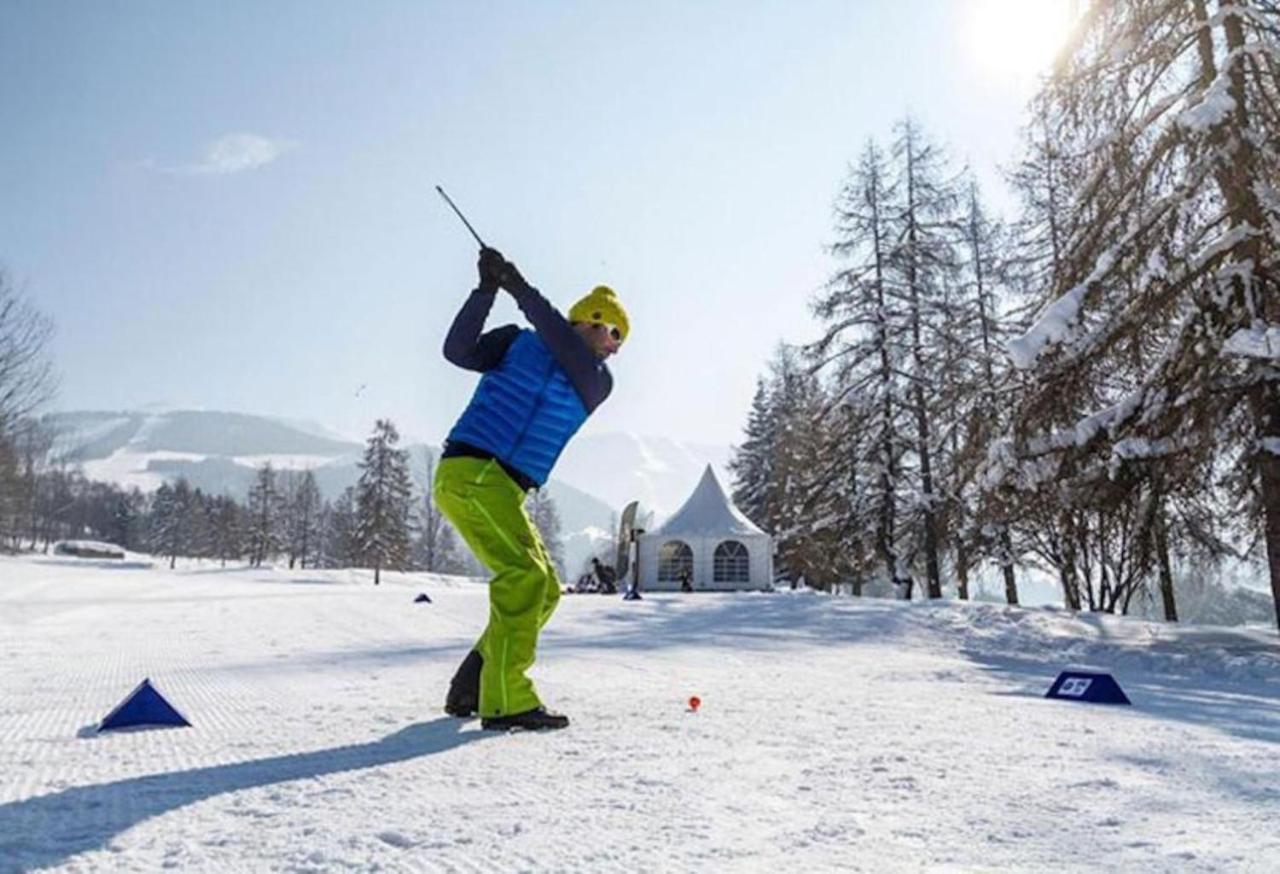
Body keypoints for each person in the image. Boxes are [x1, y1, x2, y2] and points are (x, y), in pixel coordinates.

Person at [437, 247, 628, 731]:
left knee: (543, 589)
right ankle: (506, 700)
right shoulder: (517, 343)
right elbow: (457, 352)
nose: (617, 346)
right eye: (614, 332)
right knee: (523, 576)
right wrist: (486, 291)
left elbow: (562, 344)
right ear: (590, 320)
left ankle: (474, 684)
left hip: (501, 486)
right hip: (476, 470)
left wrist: (517, 286)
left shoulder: (596, 380)